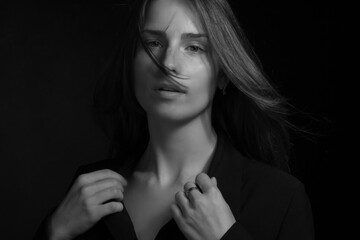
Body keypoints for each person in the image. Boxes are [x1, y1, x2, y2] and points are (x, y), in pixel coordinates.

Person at [33, 0, 314, 239]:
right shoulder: (85, 190)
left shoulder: (281, 198)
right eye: (153, 43)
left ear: (223, 73)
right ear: (132, 63)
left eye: (194, 47)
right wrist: (55, 230)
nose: (167, 63)